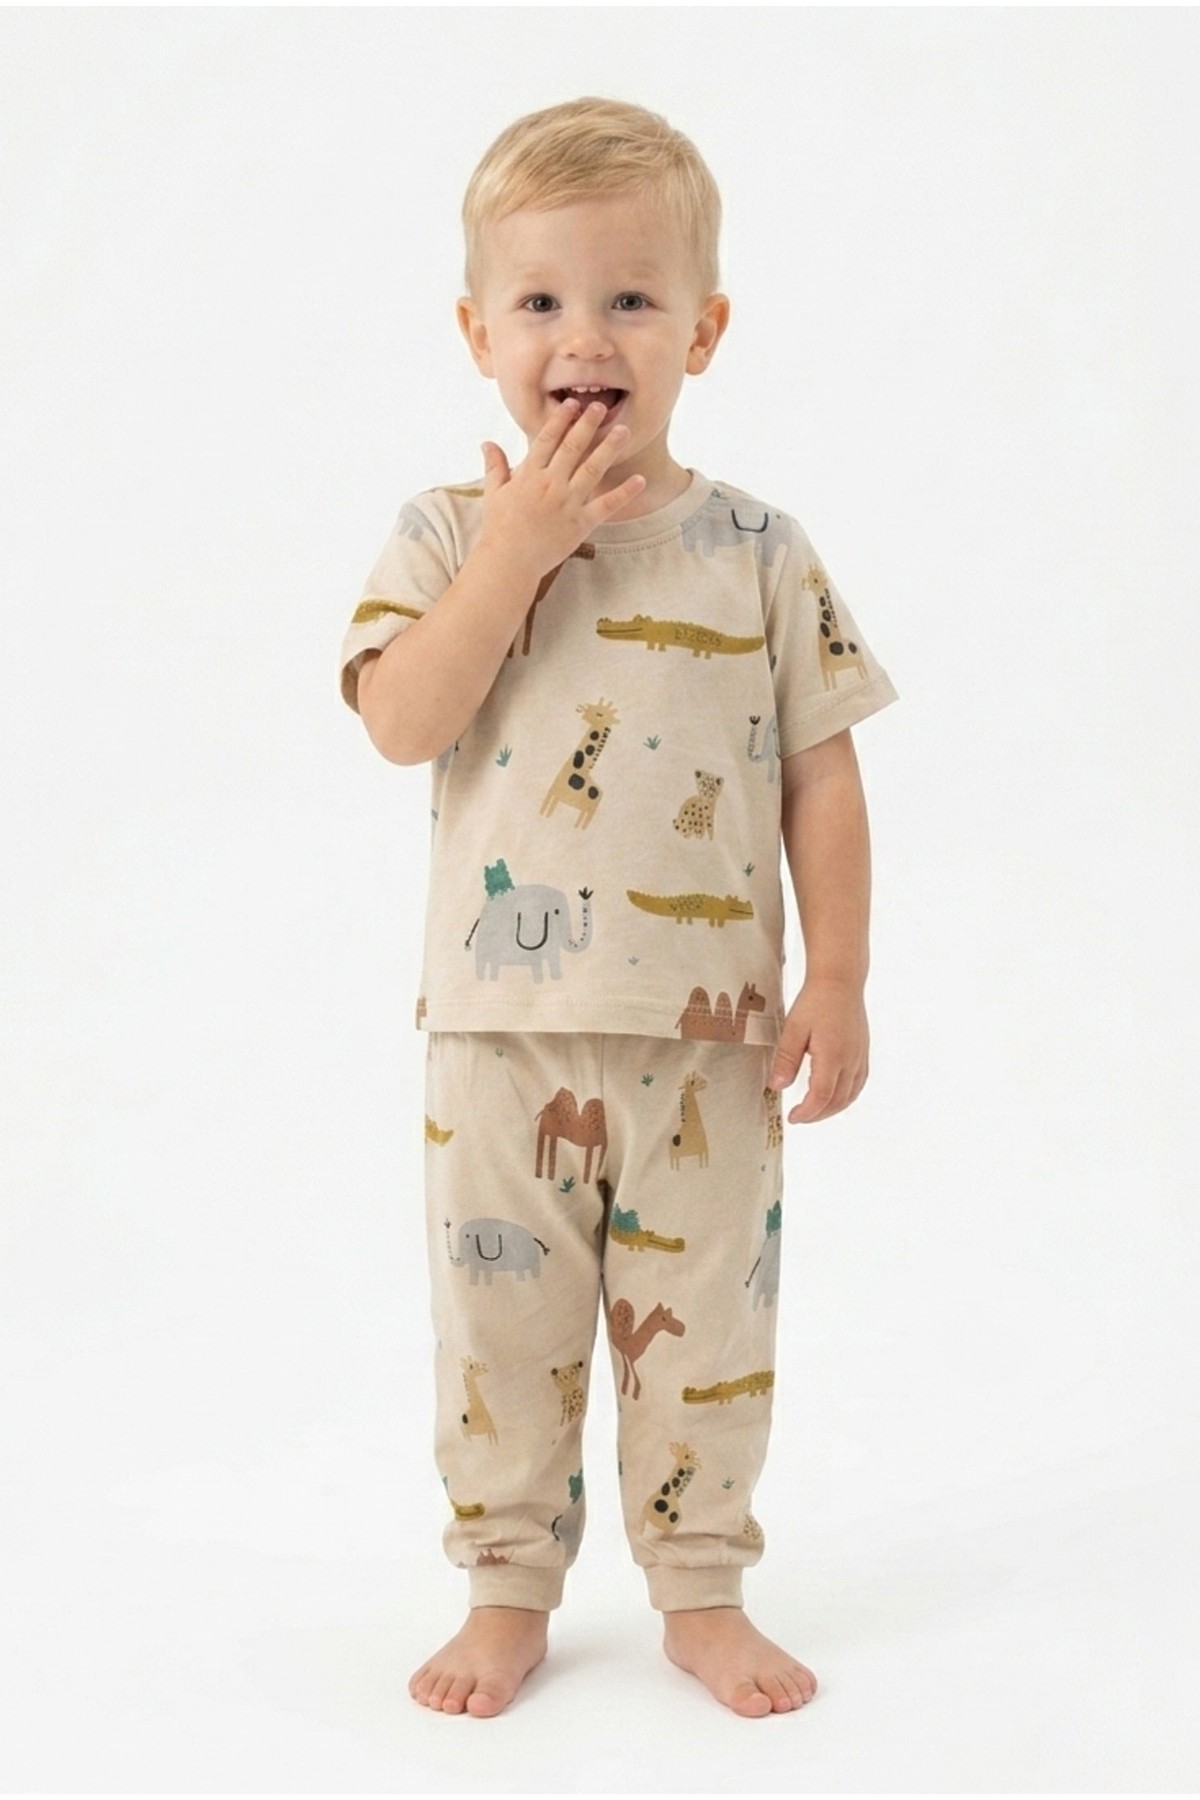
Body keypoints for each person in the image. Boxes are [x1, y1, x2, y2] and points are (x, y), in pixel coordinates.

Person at [338, 96, 898, 1720]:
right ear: (478, 335)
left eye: (631, 299)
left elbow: (822, 777)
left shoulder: (759, 551)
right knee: (501, 1330)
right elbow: (402, 721)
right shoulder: (448, 533)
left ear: (702, 332)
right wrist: (515, 551)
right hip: (498, 1038)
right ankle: (505, 1588)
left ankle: (701, 1587)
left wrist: (841, 974)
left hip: (708, 1044)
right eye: (540, 301)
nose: (584, 338)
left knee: (705, 1330)